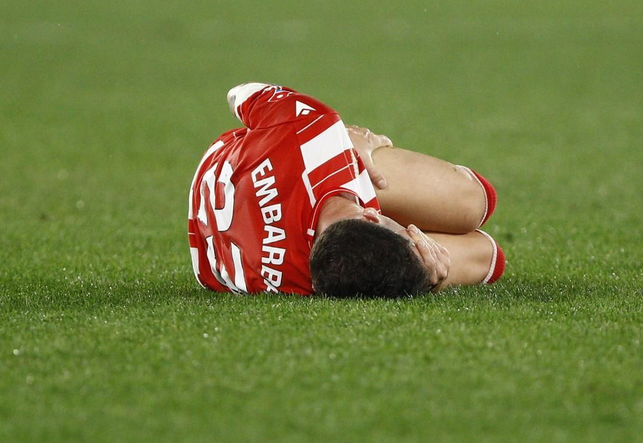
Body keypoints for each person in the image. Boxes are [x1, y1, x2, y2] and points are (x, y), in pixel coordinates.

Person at [189, 83, 506, 298]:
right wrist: (425, 276)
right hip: (215, 242)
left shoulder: (314, 134)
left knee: (476, 201)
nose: (415, 233)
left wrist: (344, 139)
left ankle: (369, 171)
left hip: (235, 163)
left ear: (371, 216)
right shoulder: (310, 278)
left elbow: (240, 93)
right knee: (488, 254)